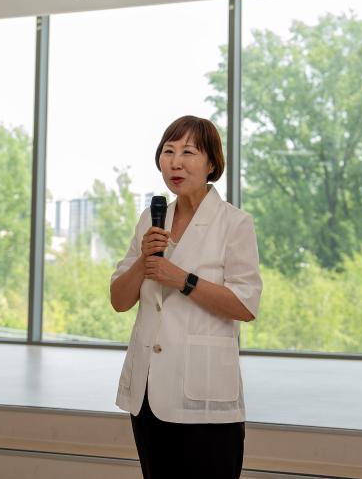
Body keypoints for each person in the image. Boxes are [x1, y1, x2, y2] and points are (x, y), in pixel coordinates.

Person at [110, 115, 262, 479]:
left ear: (211, 163)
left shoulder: (235, 223)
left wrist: (183, 280)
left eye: (188, 152)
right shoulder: (151, 219)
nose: (175, 162)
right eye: (168, 151)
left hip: (203, 396)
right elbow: (119, 300)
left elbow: (245, 306)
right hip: (147, 394)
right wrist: (144, 259)